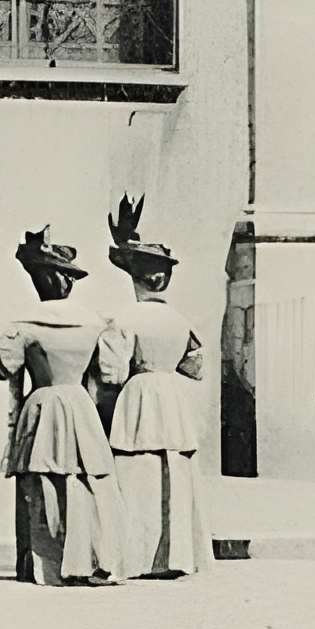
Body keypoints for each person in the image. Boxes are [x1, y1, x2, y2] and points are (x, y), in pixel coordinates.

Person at [0, 228, 126, 586]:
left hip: (42, 405)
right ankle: (87, 558)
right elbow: (111, 373)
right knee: (84, 483)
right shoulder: (95, 322)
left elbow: (4, 366)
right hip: (79, 405)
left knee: (41, 483)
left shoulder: (24, 325)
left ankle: (44, 565)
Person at [102, 197, 209, 579]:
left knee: (135, 476)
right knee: (173, 476)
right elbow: (196, 367)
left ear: (135, 278)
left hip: (140, 396)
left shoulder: (124, 318)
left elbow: (111, 373)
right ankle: (175, 556)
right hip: (172, 399)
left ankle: (134, 557)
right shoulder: (179, 320)